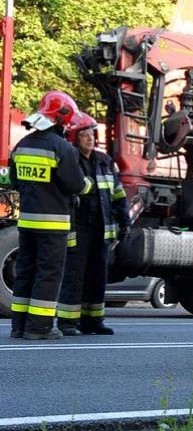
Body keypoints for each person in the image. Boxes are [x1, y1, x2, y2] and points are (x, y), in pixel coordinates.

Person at [8, 91, 92, 340]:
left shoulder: (22, 145)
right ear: (63, 117)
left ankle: (19, 326)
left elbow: (15, 180)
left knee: (25, 271)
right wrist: (87, 186)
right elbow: (76, 185)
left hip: (27, 221)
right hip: (53, 223)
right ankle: (39, 327)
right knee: (48, 273)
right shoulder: (62, 148)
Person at [56, 112, 130, 336]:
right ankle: (68, 322)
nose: (90, 139)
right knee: (74, 275)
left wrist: (123, 219)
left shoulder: (105, 161)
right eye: (84, 135)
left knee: (98, 276)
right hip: (78, 228)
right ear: (75, 138)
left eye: (91, 134)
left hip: (101, 228)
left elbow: (117, 193)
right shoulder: (70, 159)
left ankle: (94, 321)